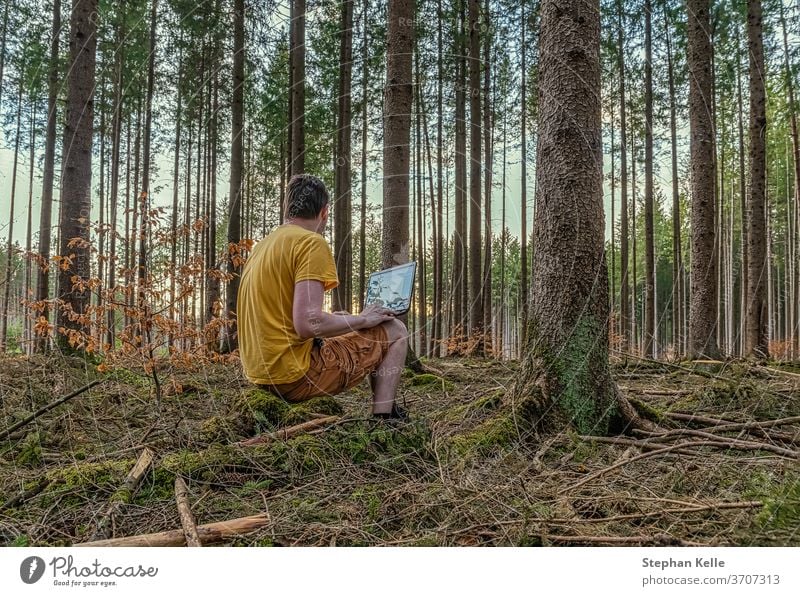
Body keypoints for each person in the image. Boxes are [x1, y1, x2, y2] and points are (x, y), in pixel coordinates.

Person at [238, 174, 409, 419]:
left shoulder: (262, 247)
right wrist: (362, 320)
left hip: (260, 374)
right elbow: (309, 324)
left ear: (288, 208)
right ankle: (384, 419)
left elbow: (285, 315)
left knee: (353, 325)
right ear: (324, 212)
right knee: (395, 329)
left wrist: (345, 320)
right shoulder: (310, 243)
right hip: (295, 377)